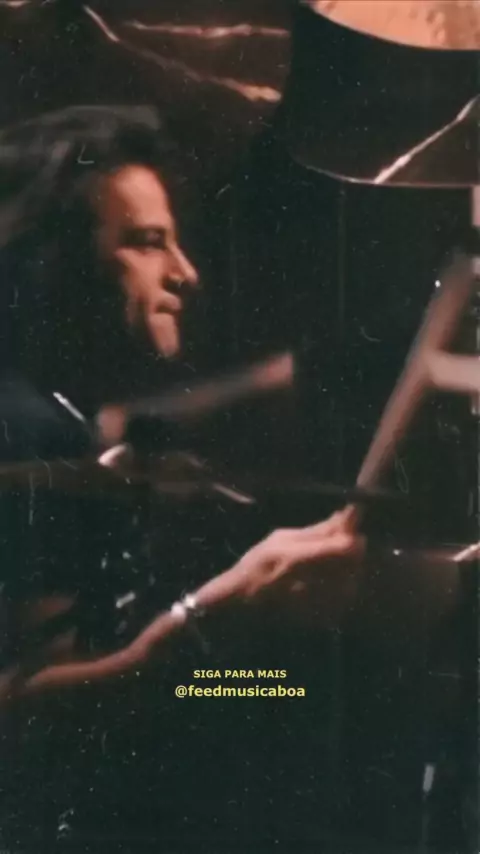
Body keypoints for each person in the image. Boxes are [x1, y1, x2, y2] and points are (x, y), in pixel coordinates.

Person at [0, 105, 363, 849]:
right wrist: (211, 621)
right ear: (48, 260)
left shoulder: (56, 417)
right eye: (146, 242)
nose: (186, 273)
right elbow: (22, 718)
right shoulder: (25, 426)